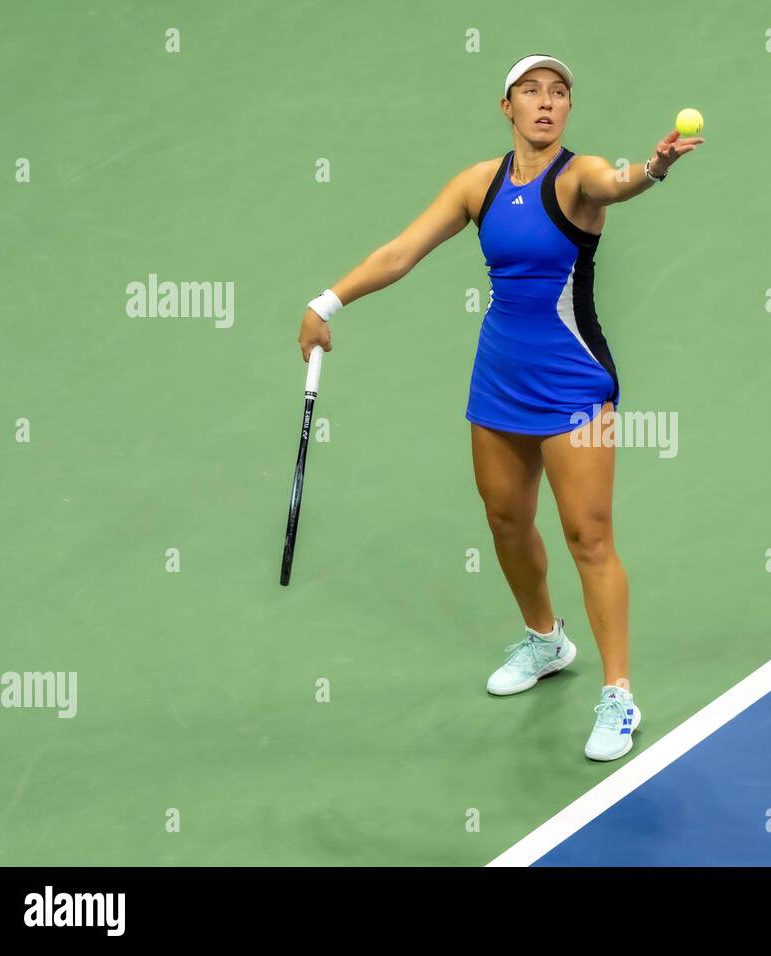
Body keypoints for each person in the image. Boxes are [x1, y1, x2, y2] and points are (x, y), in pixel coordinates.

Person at [296, 54, 704, 760]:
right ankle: (546, 640)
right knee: (507, 521)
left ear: (568, 110)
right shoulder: (477, 184)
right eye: (531, 92)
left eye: (559, 93)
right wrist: (326, 301)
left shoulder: (580, 177)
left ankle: (618, 694)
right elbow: (400, 253)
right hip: (499, 380)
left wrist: (656, 168)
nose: (546, 103)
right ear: (506, 106)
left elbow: (619, 182)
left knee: (589, 536)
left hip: (574, 383)